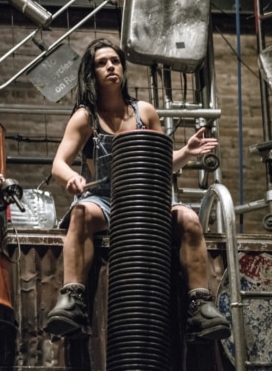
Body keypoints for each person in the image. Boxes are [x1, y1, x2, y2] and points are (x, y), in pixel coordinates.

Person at [44, 38, 231, 342]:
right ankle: (72, 301)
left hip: (149, 198)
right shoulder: (85, 117)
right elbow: (58, 164)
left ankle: (200, 307)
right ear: (93, 73)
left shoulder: (145, 113)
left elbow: (161, 163)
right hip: (107, 201)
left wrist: (185, 152)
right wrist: (71, 179)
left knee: (190, 220)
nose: (110, 67)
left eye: (115, 61)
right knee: (80, 214)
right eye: (102, 63)